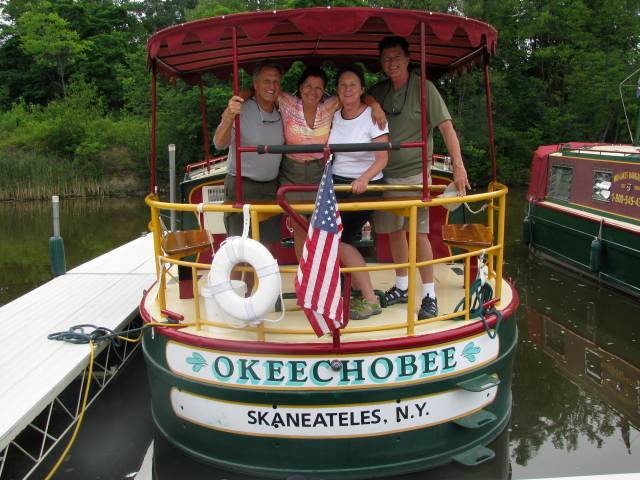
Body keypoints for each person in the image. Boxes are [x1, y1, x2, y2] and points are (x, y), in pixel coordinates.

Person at [370, 36, 471, 320]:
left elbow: (447, 128)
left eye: (396, 57)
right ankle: (402, 286)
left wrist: (458, 168)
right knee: (393, 231)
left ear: (407, 58)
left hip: (416, 174)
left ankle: (429, 294)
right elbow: (362, 96)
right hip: (385, 174)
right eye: (386, 58)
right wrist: (374, 105)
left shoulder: (424, 89)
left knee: (419, 233)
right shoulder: (380, 91)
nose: (391, 63)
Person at [240, 66, 386, 260]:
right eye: (308, 86)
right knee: (300, 227)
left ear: (324, 91)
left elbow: (357, 95)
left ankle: (321, 275)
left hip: (320, 172)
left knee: (320, 228)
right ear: (300, 88)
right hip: (292, 172)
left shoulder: (330, 106)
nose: (313, 91)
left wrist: (375, 105)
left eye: (318, 87)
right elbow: (262, 89)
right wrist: (239, 97)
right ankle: (306, 279)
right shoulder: (286, 103)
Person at [213, 62, 284, 289]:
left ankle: (259, 296)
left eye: (275, 81)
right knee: (239, 249)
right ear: (255, 84)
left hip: (271, 188)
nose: (271, 86)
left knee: (266, 248)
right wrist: (227, 117)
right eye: (266, 81)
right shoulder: (241, 109)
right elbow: (219, 143)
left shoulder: (283, 109)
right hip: (242, 186)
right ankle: (235, 299)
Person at [328, 65, 389, 320]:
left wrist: (364, 178)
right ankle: (355, 289)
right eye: (343, 85)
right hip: (338, 184)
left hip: (366, 185)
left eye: (353, 85)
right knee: (342, 239)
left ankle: (370, 299)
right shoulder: (334, 114)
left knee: (337, 240)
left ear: (362, 89)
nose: (347, 90)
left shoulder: (372, 116)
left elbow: (383, 157)